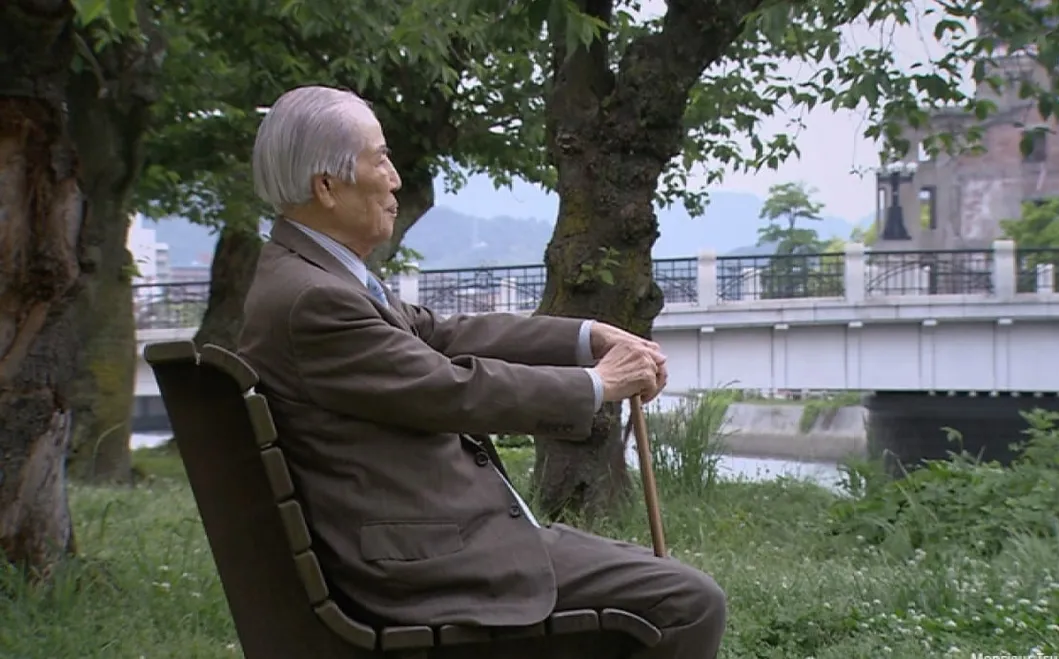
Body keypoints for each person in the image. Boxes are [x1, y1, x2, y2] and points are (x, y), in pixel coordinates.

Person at [236, 85, 726, 659]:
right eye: (381, 159)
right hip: (426, 566)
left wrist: (585, 336)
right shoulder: (315, 298)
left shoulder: (309, 275)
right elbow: (451, 389)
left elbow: (444, 333)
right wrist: (600, 384)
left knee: (651, 574)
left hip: (424, 540)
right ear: (327, 186)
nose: (395, 179)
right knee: (689, 601)